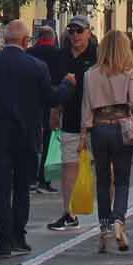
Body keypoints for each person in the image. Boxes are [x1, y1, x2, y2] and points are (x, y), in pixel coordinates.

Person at [0, 19, 73, 258]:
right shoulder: (37, 67)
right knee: (21, 189)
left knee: (0, 189)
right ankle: (19, 236)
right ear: (26, 41)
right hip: (26, 137)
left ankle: (3, 241)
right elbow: (51, 97)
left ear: (5, 39)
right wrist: (68, 86)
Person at [83, 28, 133, 252]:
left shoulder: (91, 73)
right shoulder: (129, 71)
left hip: (99, 128)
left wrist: (83, 134)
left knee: (102, 180)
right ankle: (119, 220)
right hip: (122, 128)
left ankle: (104, 229)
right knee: (122, 180)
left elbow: (86, 107)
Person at [46, 18, 98, 231]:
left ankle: (109, 212)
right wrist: (54, 110)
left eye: (79, 31)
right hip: (70, 117)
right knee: (69, 165)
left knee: (105, 168)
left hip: (97, 119)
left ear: (88, 32)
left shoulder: (97, 54)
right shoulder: (61, 56)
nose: (75, 35)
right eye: (72, 31)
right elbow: (54, 85)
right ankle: (68, 212)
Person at [26, 22, 67, 191]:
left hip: (30, 102)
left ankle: (29, 177)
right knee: (48, 140)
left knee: (31, 139)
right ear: (53, 38)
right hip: (50, 103)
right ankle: (45, 178)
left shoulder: (29, 53)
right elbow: (60, 78)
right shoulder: (57, 54)